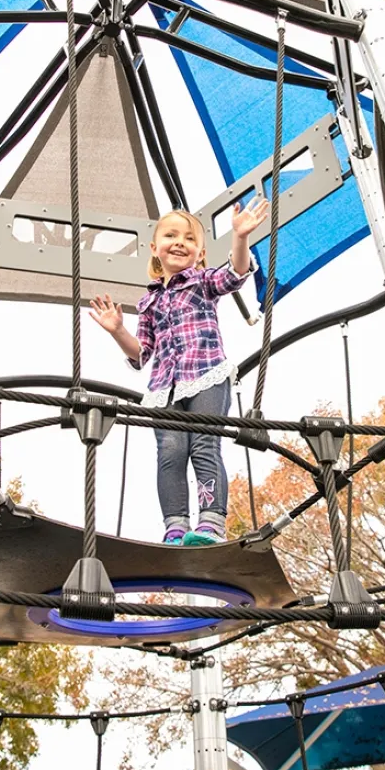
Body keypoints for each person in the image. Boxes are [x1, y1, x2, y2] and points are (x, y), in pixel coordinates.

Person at [89, 200, 268, 546]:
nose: (180, 242)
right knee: (170, 452)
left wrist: (240, 237)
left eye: (189, 239)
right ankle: (175, 526)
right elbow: (142, 354)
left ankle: (211, 523)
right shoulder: (149, 302)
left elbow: (234, 275)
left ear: (200, 253)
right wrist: (116, 331)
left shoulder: (202, 282)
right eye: (171, 235)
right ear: (155, 248)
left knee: (204, 445)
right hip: (164, 388)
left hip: (206, 376)